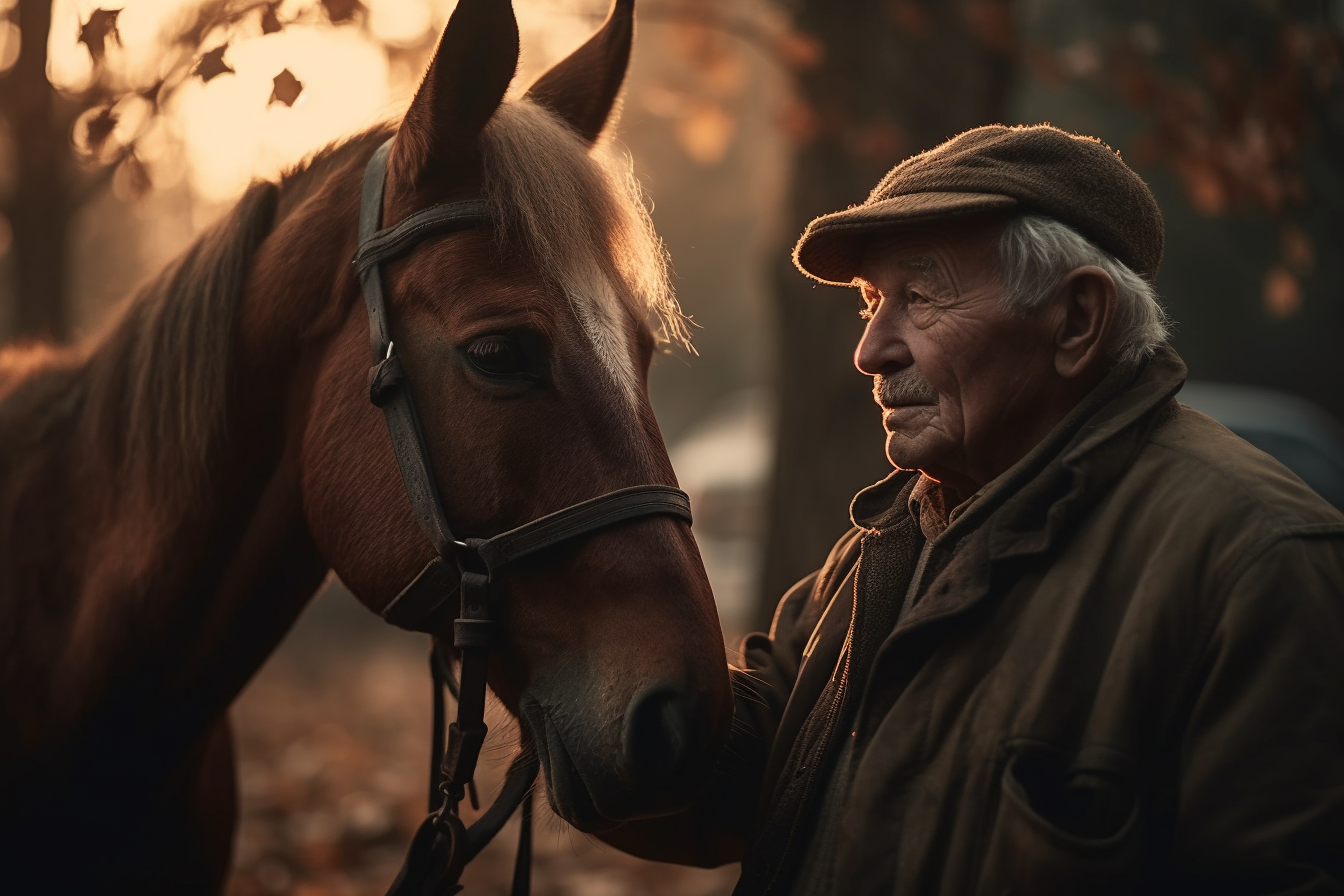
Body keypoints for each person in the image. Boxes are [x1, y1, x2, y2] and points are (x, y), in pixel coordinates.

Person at [602, 124, 1344, 894]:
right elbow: (736, 776)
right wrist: (561, 647)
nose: (871, 351)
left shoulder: (1257, 561)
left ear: (1077, 320)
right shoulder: (894, 539)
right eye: (871, 303)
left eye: (918, 298)